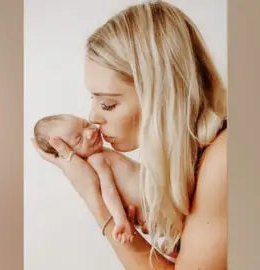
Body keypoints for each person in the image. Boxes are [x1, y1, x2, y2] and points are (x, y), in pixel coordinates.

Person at [31, 1, 228, 269]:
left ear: (161, 94)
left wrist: (96, 201)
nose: (93, 117)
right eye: (93, 99)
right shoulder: (193, 157)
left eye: (108, 104)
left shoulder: (223, 160)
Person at [33, 113, 148, 243]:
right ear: (67, 152)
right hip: (153, 203)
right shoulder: (96, 160)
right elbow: (108, 191)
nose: (90, 133)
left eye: (85, 124)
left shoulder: (101, 153)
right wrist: (120, 219)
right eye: (78, 140)